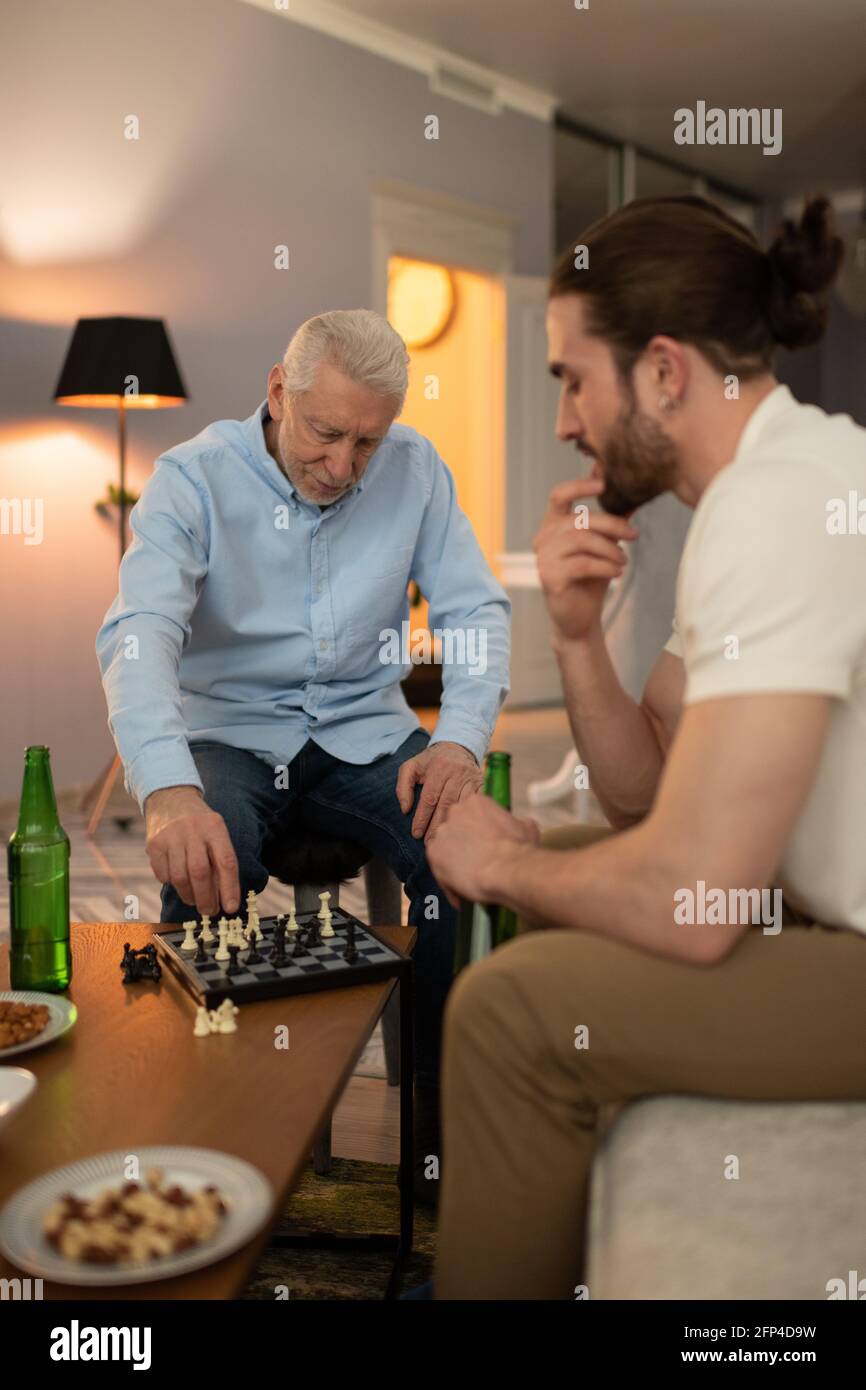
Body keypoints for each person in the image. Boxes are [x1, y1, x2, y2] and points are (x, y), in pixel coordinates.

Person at [426, 195, 866, 1295]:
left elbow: (687, 895)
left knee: (501, 1007)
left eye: (571, 378)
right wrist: (574, 639)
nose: (566, 421)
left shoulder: (781, 504)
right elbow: (643, 792)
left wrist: (495, 861)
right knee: (568, 860)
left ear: (662, 371)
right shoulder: (765, 486)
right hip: (810, 907)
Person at [95, 309, 511, 1200]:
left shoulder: (418, 472)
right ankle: (215, 1138)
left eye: (369, 441)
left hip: (368, 733)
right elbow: (140, 634)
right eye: (326, 434)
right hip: (230, 734)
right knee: (212, 859)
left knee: (460, 853)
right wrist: (167, 787)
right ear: (280, 392)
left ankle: (438, 1149)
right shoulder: (193, 477)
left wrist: (461, 740)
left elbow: (476, 615)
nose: (344, 466)